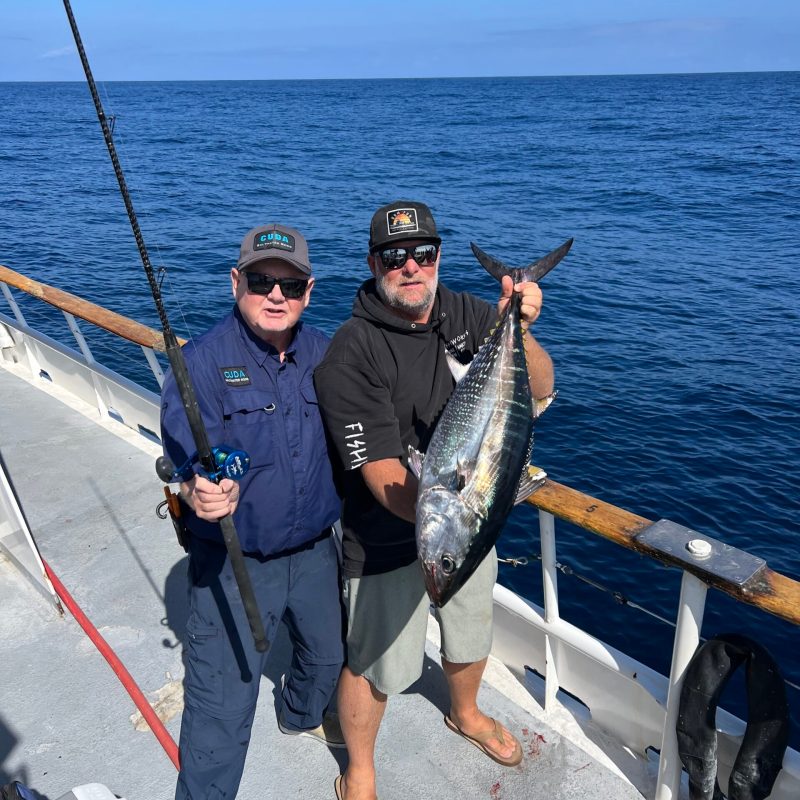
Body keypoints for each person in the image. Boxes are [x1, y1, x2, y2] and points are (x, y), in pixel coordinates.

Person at [314, 200, 556, 800]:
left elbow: (544, 387)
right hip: (392, 539)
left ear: (439, 256)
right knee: (376, 667)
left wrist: (519, 322)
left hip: (467, 527)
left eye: (423, 253)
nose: (411, 266)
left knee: (470, 632)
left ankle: (465, 712)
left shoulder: (468, 313)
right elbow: (383, 476)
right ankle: (361, 769)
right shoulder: (352, 350)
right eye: (395, 257)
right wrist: (445, 529)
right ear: (374, 264)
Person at [160, 223, 345, 800]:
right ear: (236, 281)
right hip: (233, 559)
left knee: (327, 659)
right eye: (262, 281)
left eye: (290, 287)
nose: (275, 296)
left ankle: (296, 714)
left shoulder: (327, 353)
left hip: (317, 552)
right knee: (220, 710)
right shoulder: (202, 362)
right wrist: (200, 488)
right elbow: (190, 453)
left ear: (309, 292)